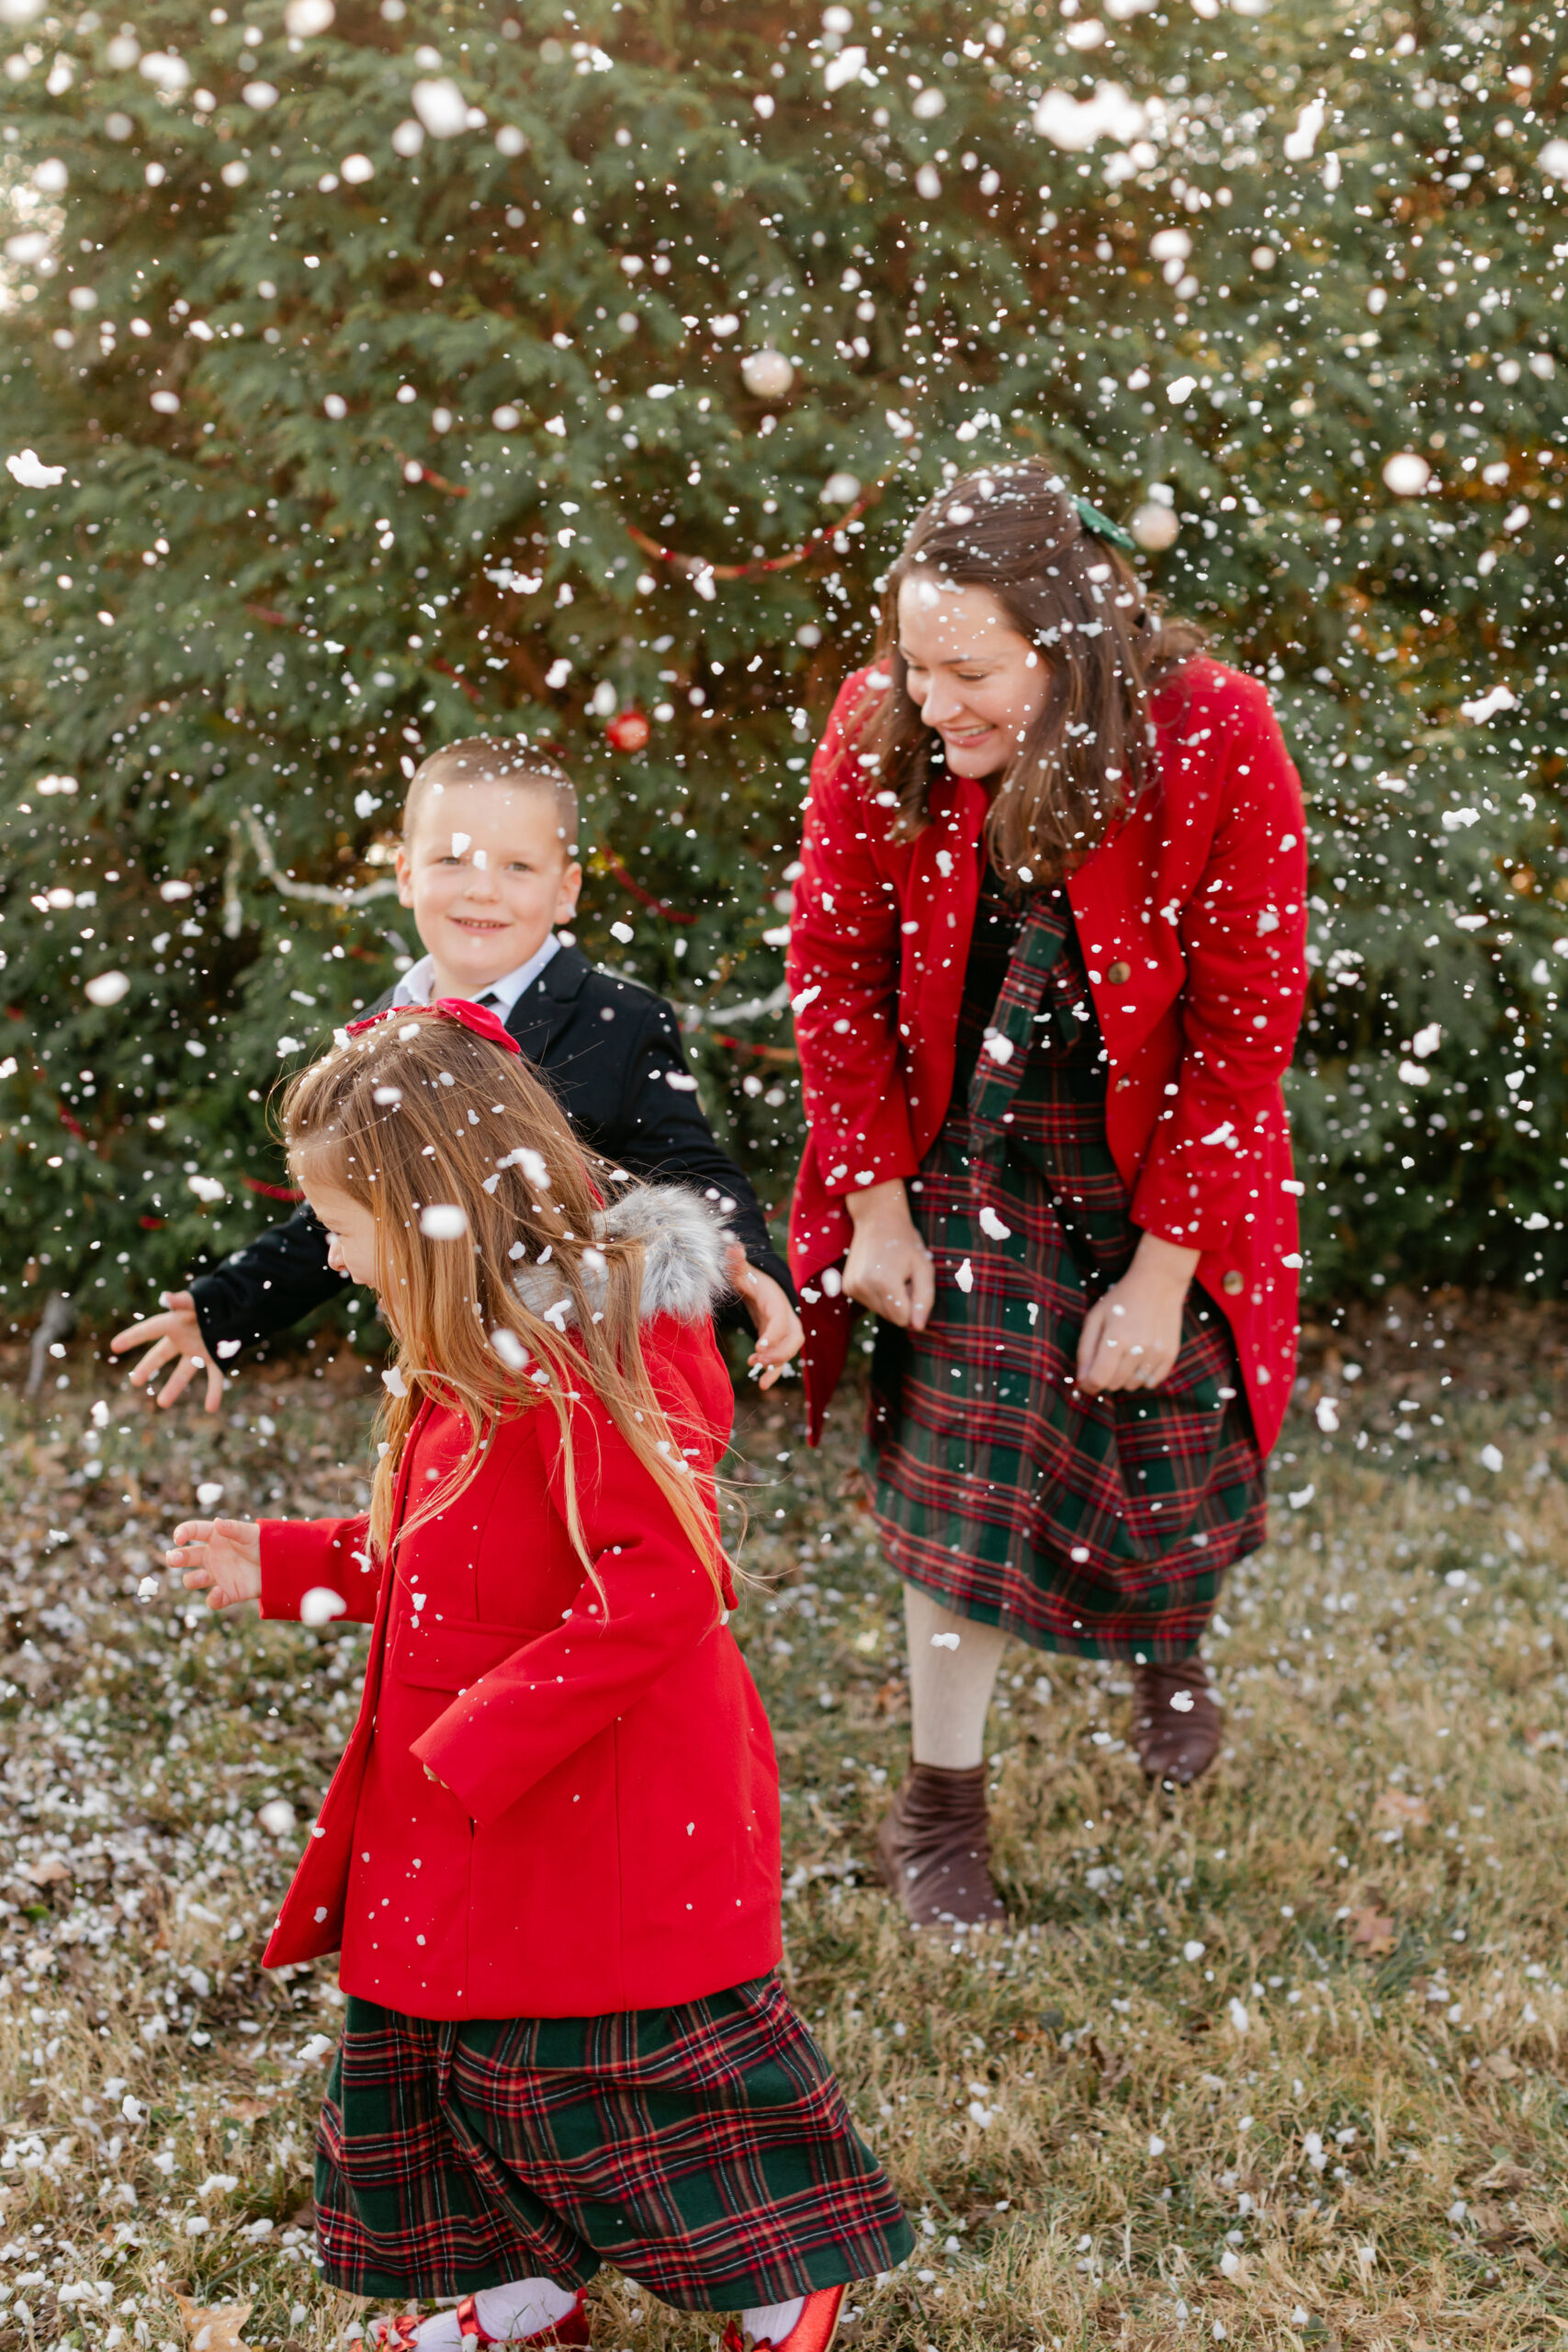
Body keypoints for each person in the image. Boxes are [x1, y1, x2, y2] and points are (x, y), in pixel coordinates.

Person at [164, 1001, 910, 2352]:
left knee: (601, 2075)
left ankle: (775, 2277)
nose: (328, 1256)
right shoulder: (467, 1358)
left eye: (342, 1224)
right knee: (458, 2067)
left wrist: (481, 1736)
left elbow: (664, 1583)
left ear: (435, 1208)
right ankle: (519, 2288)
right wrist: (281, 1566)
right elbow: (447, 1559)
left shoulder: (596, 1361)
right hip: (475, 1817)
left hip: (602, 1804)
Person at [786, 460, 1309, 1933]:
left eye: (968, 669)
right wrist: (876, 1203)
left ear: (1062, 646)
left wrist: (1159, 1275)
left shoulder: (1208, 728)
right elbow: (831, 971)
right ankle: (937, 1802)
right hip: (960, 1143)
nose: (929, 699)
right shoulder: (877, 728)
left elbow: (1243, 1013)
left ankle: (1167, 1646)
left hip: (1155, 1156)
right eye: (911, 659)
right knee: (968, 1465)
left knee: (1168, 1448)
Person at [111, 737, 799, 1408]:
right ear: (406, 876)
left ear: (566, 892)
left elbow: (690, 1168)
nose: (482, 889)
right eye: (452, 859)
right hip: (448, 1367)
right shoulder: (379, 1034)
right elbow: (342, 1213)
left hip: (582, 1372)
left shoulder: (615, 1021)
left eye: (517, 868)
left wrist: (755, 1275)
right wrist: (220, 1310)